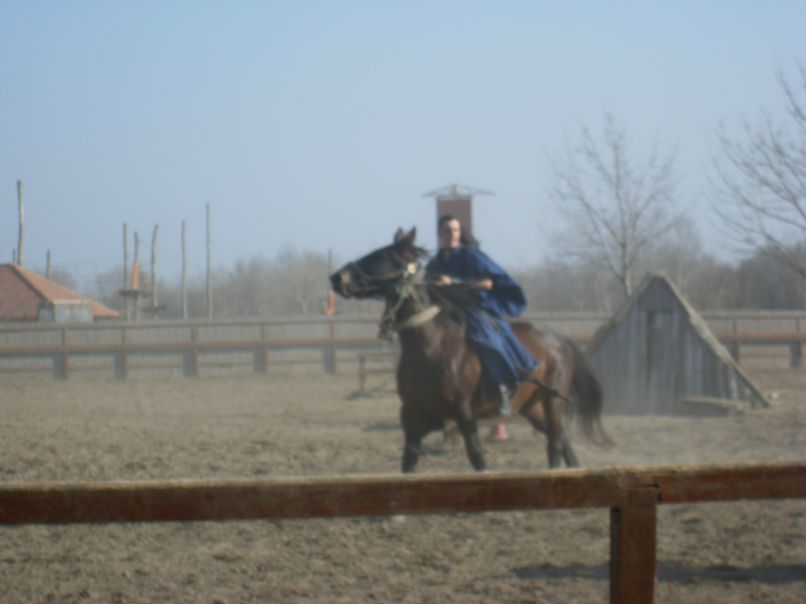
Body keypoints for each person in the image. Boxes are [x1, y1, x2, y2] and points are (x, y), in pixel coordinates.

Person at [426, 214, 538, 430]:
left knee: (486, 341)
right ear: (439, 234)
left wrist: (455, 282)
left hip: (473, 309)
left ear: (460, 233)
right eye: (447, 231)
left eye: (455, 230)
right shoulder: (436, 261)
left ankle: (505, 387)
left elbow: (487, 283)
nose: (452, 234)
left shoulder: (472, 255)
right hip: (445, 312)